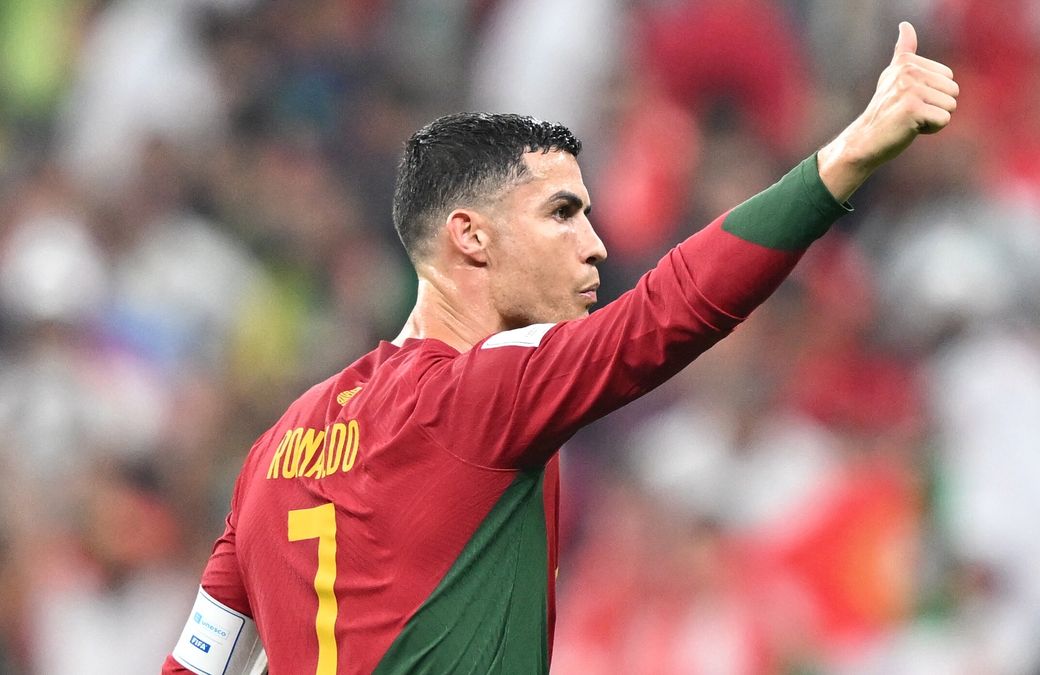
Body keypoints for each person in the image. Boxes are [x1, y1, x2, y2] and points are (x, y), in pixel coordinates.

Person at [163, 21, 957, 675]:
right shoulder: (480, 398)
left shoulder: (274, 451)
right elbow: (669, 311)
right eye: (562, 214)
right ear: (471, 238)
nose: (597, 244)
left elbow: (195, 665)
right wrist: (848, 156)